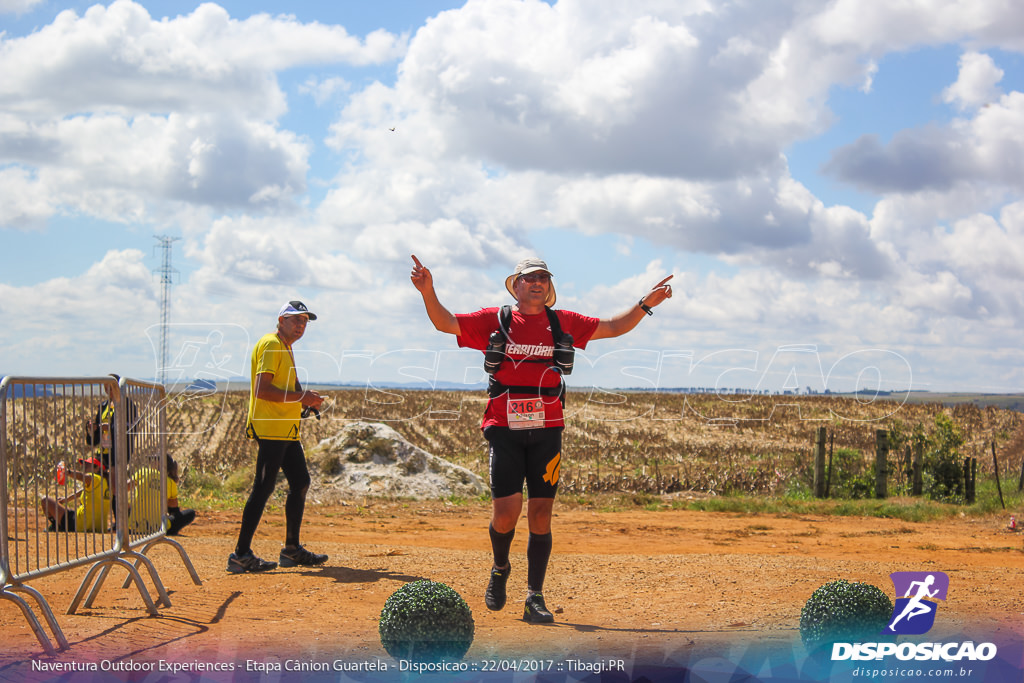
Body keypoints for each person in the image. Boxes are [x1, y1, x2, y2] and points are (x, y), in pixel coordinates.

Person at [410, 255, 672, 623]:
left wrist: (645, 305)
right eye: (529, 278)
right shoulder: (496, 319)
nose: (537, 283)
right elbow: (445, 323)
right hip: (503, 427)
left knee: (541, 513)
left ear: (549, 287)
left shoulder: (562, 322)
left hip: (548, 427)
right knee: (506, 514)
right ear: (515, 285)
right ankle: (500, 567)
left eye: (543, 278)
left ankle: (535, 596)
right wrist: (428, 290)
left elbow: (613, 327)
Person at [227, 300, 327, 573]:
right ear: (281, 319)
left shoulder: (284, 347)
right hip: (271, 427)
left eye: (305, 321)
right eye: (296, 319)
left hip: (284, 427)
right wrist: (301, 397)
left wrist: (306, 400)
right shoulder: (272, 344)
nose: (301, 325)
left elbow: (286, 389)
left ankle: (291, 549)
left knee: (300, 482)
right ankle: (240, 554)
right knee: (264, 487)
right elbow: (262, 389)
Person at [84, 373, 138, 527]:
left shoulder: (127, 405)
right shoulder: (103, 406)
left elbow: (130, 428)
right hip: (104, 452)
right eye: (105, 386)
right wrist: (92, 430)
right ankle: (117, 521)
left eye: (110, 386)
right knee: (107, 486)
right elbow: (94, 439)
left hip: (119, 451)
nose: (107, 389)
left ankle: (123, 520)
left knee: (115, 487)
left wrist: (110, 428)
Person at [126, 455, 195, 536]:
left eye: (152, 460)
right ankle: (164, 529)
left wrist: (128, 507)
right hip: (159, 528)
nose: (150, 462)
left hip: (134, 527)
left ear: (158, 463)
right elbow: (174, 511)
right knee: (190, 513)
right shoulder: (170, 482)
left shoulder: (143, 472)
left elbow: (123, 488)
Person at [41, 457, 111, 532]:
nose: (84, 467)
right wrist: (66, 499)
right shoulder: (105, 483)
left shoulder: (95, 478)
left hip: (77, 524)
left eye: (88, 465)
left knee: (45, 500)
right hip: (99, 527)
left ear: (97, 468)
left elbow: (82, 476)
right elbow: (83, 490)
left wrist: (67, 472)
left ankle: (57, 526)